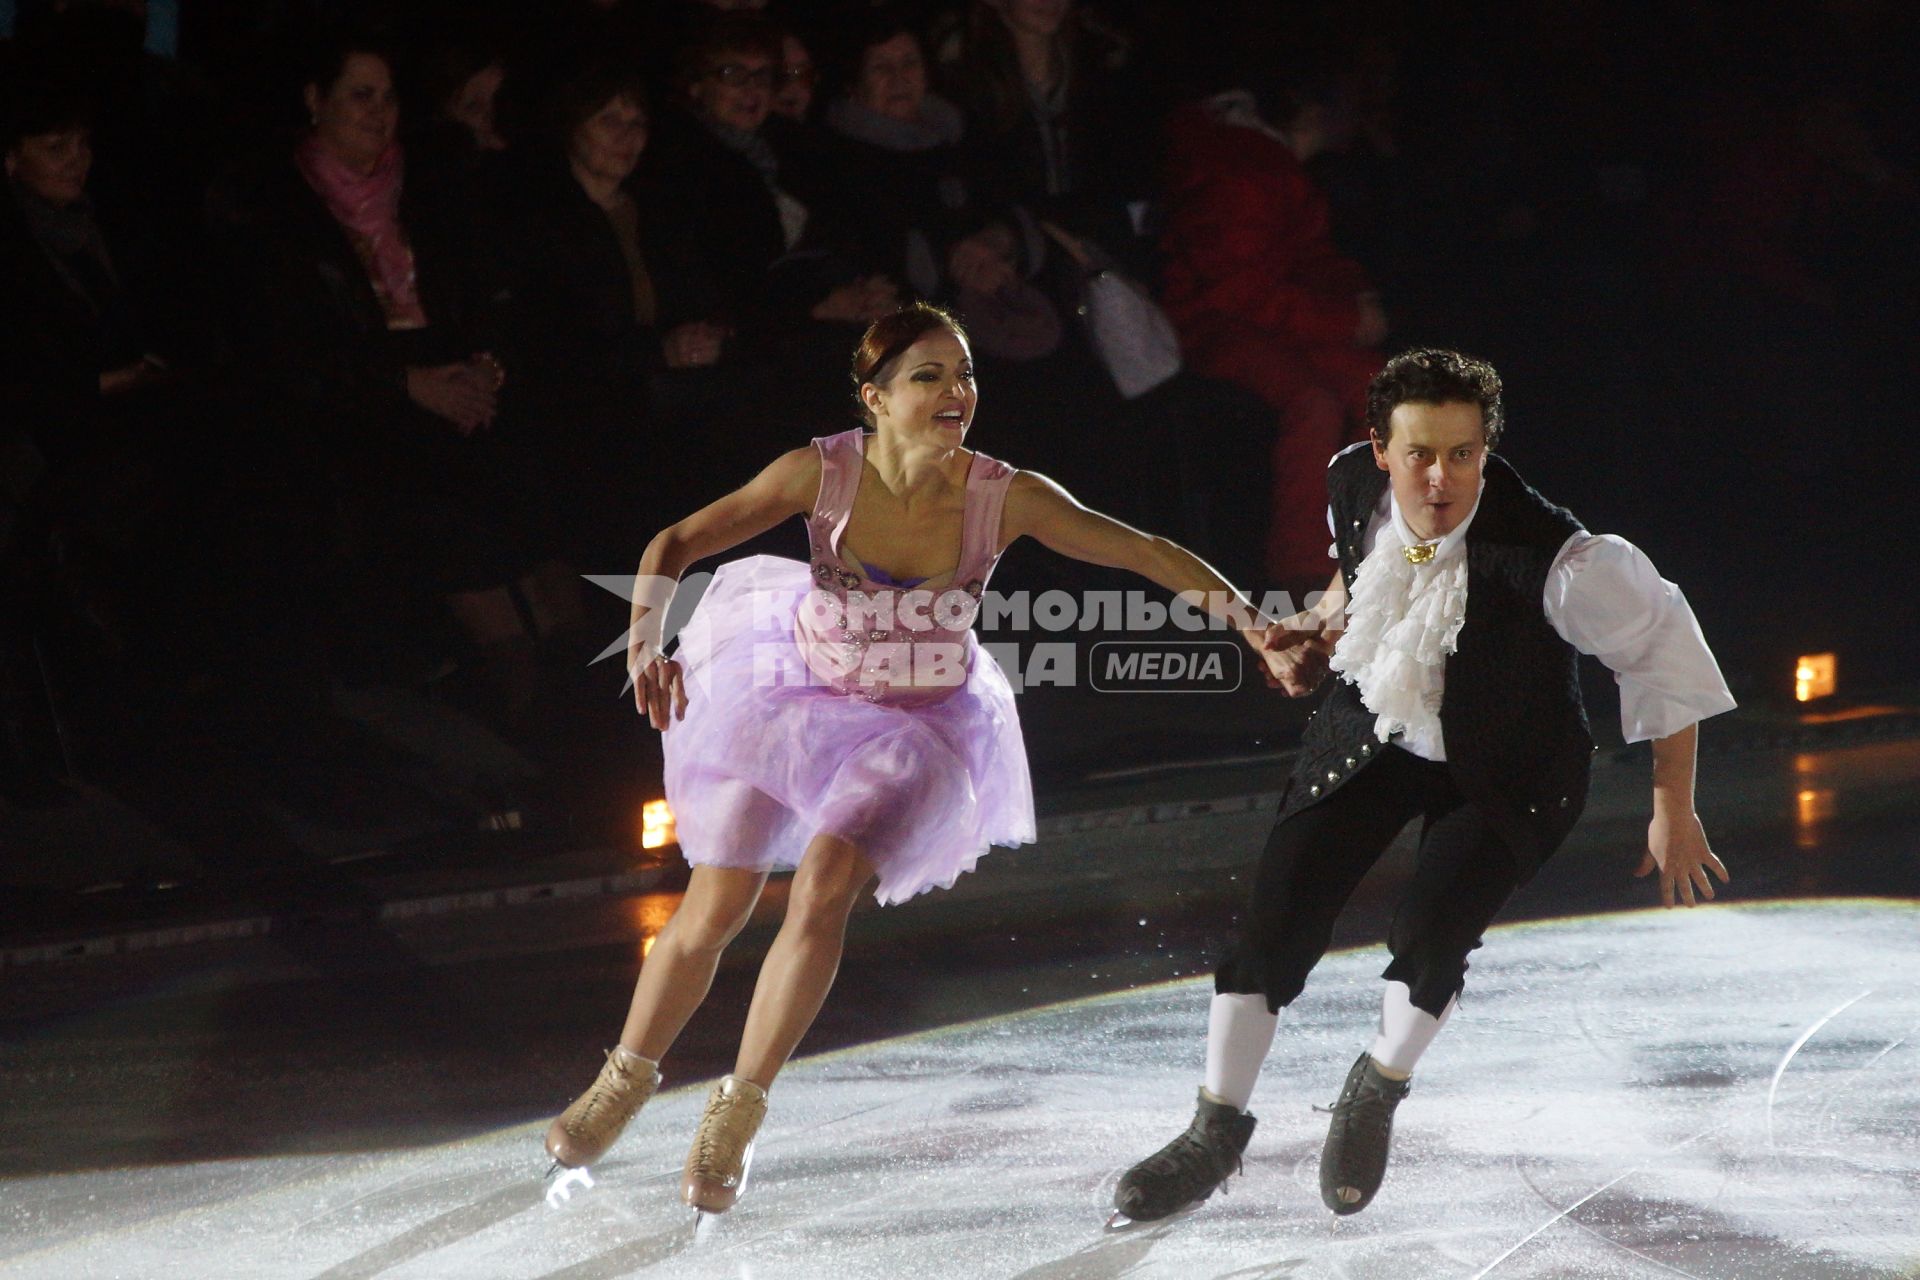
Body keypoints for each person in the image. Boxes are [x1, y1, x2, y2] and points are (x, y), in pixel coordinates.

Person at [544, 301, 1297, 1215]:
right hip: (789, 688)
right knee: (717, 901)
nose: (958, 392)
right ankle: (622, 1082)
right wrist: (644, 646)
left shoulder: (1005, 493)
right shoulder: (817, 473)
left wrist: (1257, 629)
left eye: (966, 373)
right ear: (876, 396)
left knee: (824, 884)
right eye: (929, 376)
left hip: (917, 724)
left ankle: (737, 1111)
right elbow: (678, 543)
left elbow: (1144, 553)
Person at [1112, 348, 1736, 1223]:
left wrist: (1676, 809)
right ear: (1379, 448)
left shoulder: (1559, 558)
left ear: (1486, 449)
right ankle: (1214, 1131)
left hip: (1508, 767)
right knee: (1277, 920)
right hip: (1376, 729)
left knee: (1431, 935)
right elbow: (1362, 569)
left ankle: (1378, 1085)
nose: (1440, 477)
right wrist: (1323, 628)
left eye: (1463, 454)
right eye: (1419, 454)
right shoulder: (1352, 488)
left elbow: (1665, 654)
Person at [1159, 67, 1387, 595]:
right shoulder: (1239, 165)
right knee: (1314, 403)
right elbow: (1236, 291)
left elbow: (1308, 258)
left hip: (1270, 321)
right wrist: (1345, 319)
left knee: (1382, 386)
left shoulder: (1276, 164)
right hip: (1215, 329)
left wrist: (1356, 299)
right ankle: (1303, 577)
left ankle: (1370, 551)